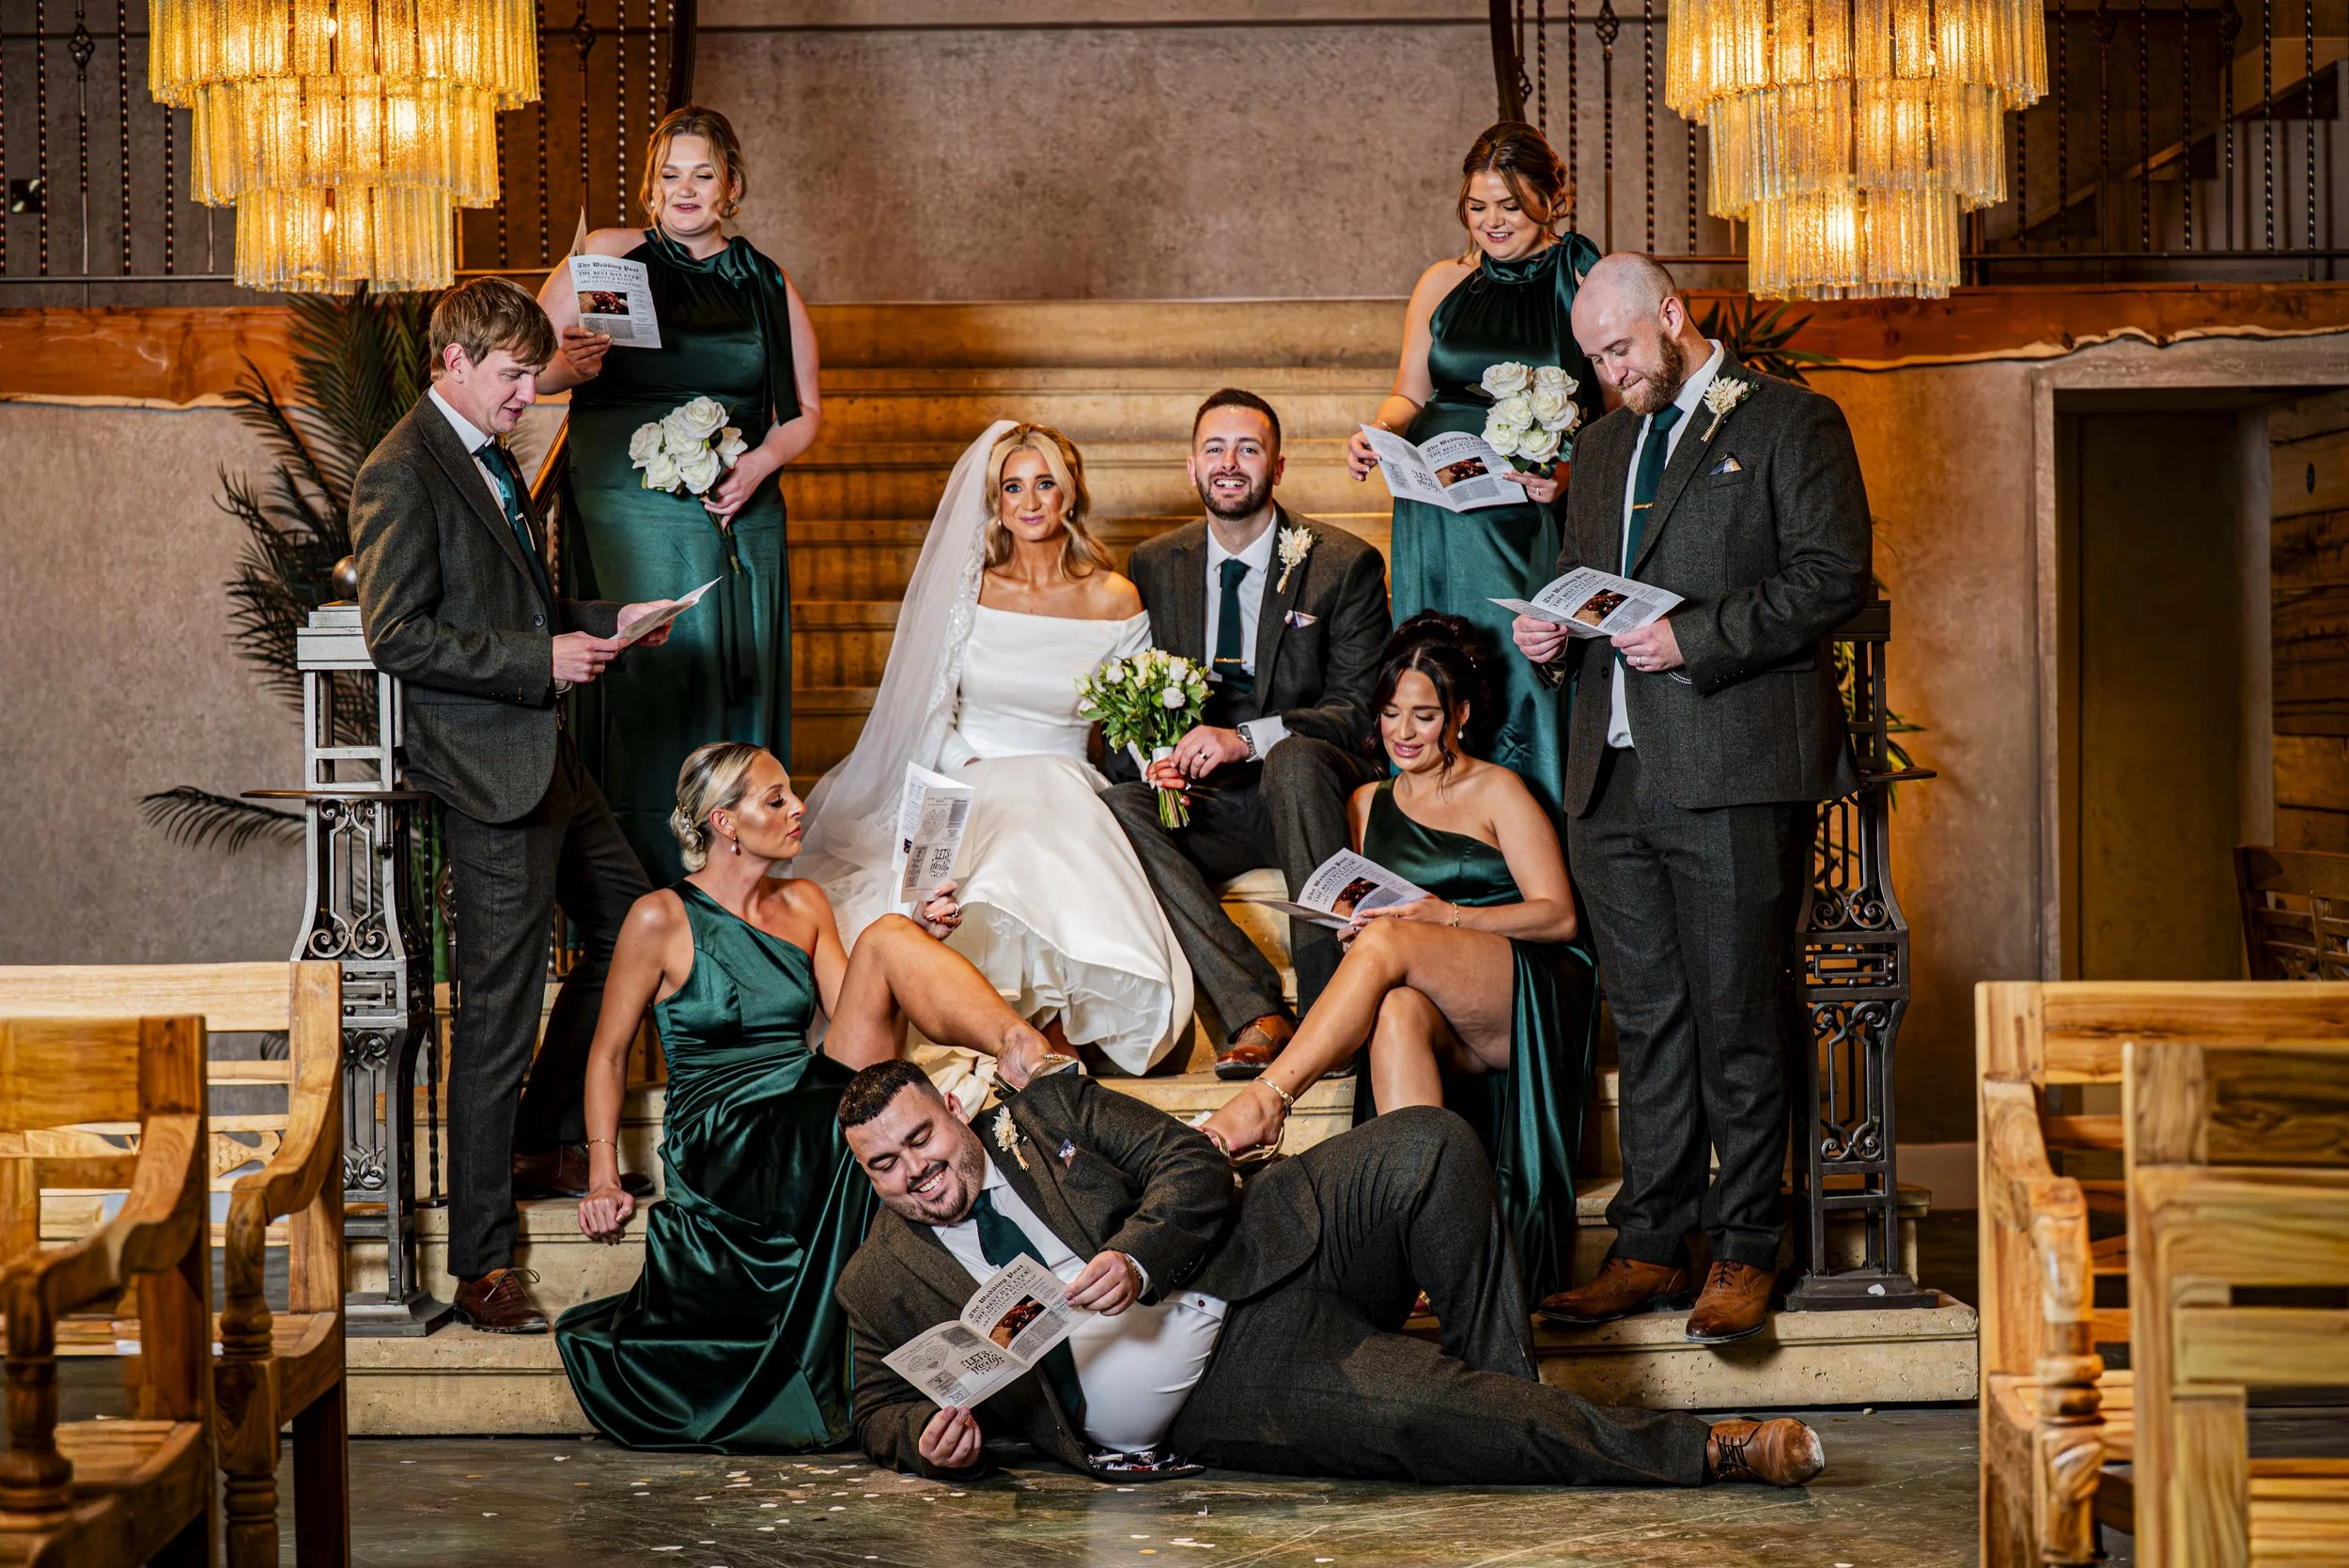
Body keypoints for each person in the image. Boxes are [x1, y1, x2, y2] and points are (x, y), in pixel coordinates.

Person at [832, 1060, 1827, 1489]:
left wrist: (1135, 1256)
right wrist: (924, 1438)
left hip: (1261, 1242)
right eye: (888, 1165)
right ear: (871, 1177)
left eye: (923, 1140)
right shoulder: (878, 1280)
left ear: (952, 1114)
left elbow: (1186, 1161)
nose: (917, 1171)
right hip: (1234, 1374)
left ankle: (1512, 1406)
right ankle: (1701, 1453)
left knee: (1431, 1141)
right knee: (1416, 1412)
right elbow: (873, 1400)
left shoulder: (1046, 1112)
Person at [1511, 253, 1872, 1345]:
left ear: (1670, 316)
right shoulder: (1602, 442)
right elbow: (1590, 593)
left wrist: (1692, 638)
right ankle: (1650, 1245)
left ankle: (1747, 1247)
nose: (1609, 373)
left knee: (1738, 1014)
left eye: (1619, 350)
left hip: (1732, 769)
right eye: (1594, 359)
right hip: (1610, 778)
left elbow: (1828, 576)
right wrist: (1552, 638)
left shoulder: (1789, 422)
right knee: (1654, 1020)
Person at [556, 742, 1069, 1451]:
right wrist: (603, 1174)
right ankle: (1020, 1050)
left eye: (790, 794)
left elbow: (859, 1025)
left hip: (806, 1092)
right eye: (775, 800)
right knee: (874, 1079)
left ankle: (1022, 1050)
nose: (799, 809)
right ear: (723, 822)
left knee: (891, 941)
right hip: (724, 1131)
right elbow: (607, 1054)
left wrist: (919, 938)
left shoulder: (805, 902)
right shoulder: (661, 917)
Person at [351, 278, 679, 1332]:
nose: (529, 392)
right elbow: (398, 638)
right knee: (494, 1018)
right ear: (453, 363)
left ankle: (542, 1131)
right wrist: (542, 656)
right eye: (513, 374)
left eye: (532, 373)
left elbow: (514, 605)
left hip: (548, 754)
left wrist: (607, 619)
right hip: (486, 772)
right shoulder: (399, 471)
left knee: (637, 927)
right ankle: (481, 1265)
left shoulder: (491, 455)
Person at [1194, 613, 1595, 1300]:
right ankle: (1422, 1234)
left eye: (1424, 715)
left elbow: (1558, 916)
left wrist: (1447, 916)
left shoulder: (1497, 789)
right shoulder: (1362, 803)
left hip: (1525, 991)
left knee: (1390, 942)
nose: (1404, 732)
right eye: (1389, 714)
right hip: (1433, 999)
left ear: (1460, 715)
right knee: (1397, 1008)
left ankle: (1267, 1100)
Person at [796, 423, 1193, 1078]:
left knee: (1048, 795)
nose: (1030, 501)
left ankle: (1055, 1022)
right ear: (996, 500)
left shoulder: (1112, 595)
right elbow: (930, 707)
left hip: (1066, 776)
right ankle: (1014, 1030)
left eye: (1045, 484)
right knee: (997, 827)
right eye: (1013, 487)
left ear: (1070, 493)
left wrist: (1159, 757)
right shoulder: (969, 590)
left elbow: (1136, 713)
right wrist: (968, 767)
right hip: (966, 772)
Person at [537, 104, 822, 882]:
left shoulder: (767, 282)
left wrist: (758, 465)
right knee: (648, 691)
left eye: (703, 173)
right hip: (623, 510)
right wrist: (574, 366)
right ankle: (637, 883)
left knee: (724, 683)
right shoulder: (606, 257)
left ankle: (734, 877)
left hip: (736, 508)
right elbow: (523, 372)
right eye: (670, 175)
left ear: (731, 185)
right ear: (651, 189)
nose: (685, 189)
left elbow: (804, 415)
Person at [1104, 390, 1392, 1079]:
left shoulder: (1340, 564)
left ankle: (1333, 1011)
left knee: (1292, 760)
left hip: (1306, 793)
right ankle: (1257, 1007)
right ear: (1191, 464)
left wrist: (1247, 739)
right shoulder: (1151, 566)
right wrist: (1152, 760)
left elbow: (1361, 710)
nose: (1230, 464)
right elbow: (1120, 710)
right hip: (1206, 805)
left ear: (1279, 466)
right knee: (1119, 807)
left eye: (1249, 448)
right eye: (1215, 448)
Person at [1346, 122, 1602, 820]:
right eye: (1478, 206)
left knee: (1518, 667)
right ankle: (1448, 833)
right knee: (1435, 666)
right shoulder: (1442, 282)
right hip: (1434, 514)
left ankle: (1536, 844)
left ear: (1555, 196)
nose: (1492, 222)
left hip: (1521, 519)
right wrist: (1381, 432)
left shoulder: (1580, 277)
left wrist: (1573, 475)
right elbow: (1409, 391)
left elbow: (1621, 405)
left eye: (1510, 206)